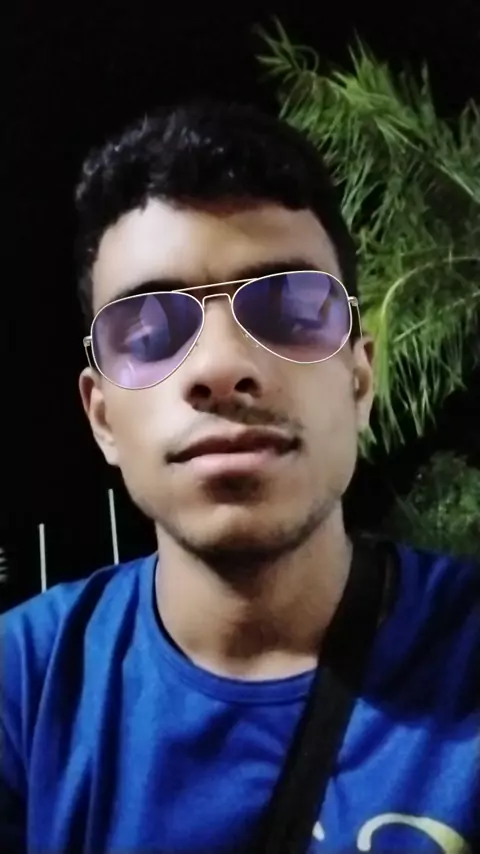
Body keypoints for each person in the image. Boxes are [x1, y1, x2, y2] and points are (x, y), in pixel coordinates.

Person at [1, 99, 478, 854]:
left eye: (291, 309)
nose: (221, 368)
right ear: (102, 418)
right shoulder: (25, 688)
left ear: (360, 382)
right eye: (148, 330)